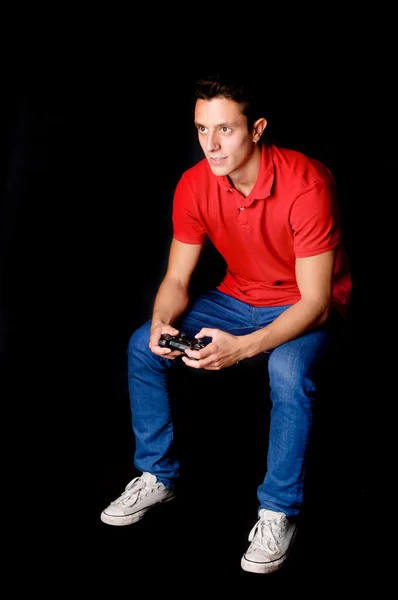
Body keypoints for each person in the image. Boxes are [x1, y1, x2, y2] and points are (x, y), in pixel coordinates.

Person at [100, 73, 352, 575]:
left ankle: (278, 509)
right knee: (141, 346)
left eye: (225, 130)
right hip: (238, 296)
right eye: (200, 130)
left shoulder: (307, 183)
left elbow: (318, 301)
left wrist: (241, 348)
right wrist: (159, 322)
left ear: (256, 129)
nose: (210, 145)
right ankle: (157, 475)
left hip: (303, 303)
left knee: (285, 371)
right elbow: (176, 277)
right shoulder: (195, 183)